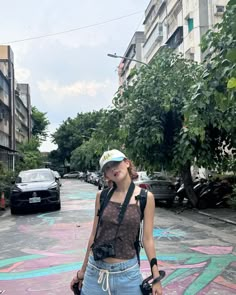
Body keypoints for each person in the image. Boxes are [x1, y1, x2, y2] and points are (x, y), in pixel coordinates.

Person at [70, 149, 163, 295]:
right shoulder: (101, 196)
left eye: (116, 163)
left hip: (128, 274)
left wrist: (156, 277)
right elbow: (93, 236)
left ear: (126, 163)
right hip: (96, 272)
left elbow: (148, 239)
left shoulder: (146, 197)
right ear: (106, 174)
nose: (112, 168)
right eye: (107, 167)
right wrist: (82, 272)